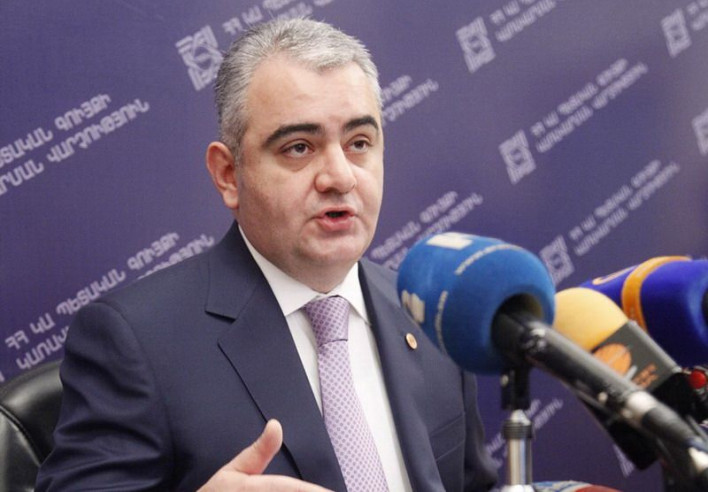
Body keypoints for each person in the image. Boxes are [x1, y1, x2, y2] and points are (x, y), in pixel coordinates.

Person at [36, 18, 497, 491]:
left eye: (359, 143)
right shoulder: (137, 342)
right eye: (299, 148)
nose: (340, 176)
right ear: (228, 174)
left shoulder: (429, 313)